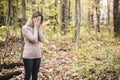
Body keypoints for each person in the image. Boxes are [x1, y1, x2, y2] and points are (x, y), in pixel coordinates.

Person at [22, 10, 48, 80]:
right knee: (27, 76)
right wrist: (36, 28)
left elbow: (42, 39)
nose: (38, 21)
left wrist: (39, 28)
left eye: (40, 19)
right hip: (28, 56)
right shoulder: (25, 28)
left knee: (35, 76)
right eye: (37, 19)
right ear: (33, 18)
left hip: (37, 55)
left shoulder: (38, 27)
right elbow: (34, 40)